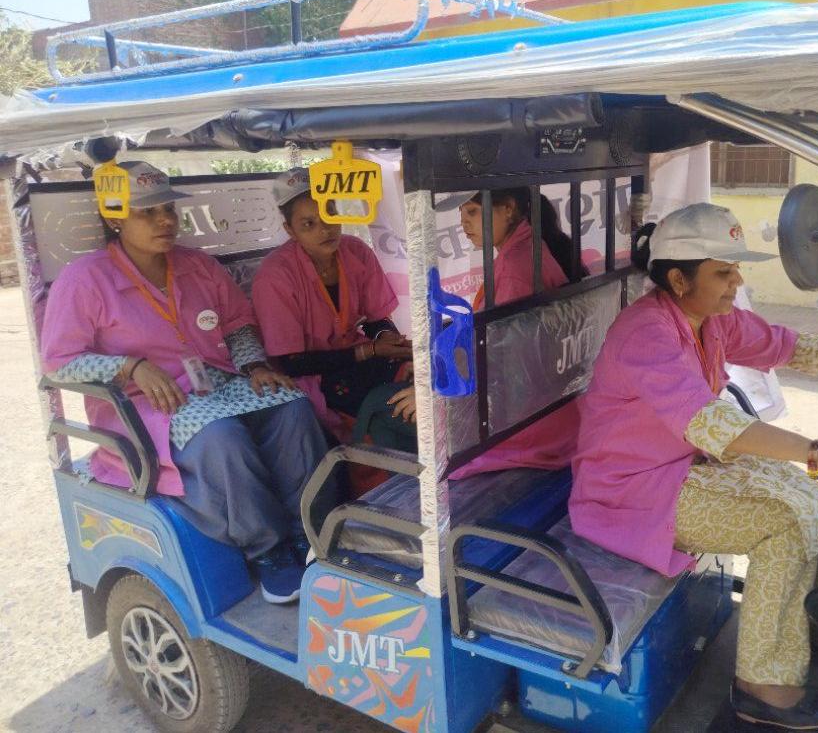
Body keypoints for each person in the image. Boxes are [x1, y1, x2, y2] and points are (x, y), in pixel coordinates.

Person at [569, 202, 818, 729]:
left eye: (736, 269)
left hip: (684, 465)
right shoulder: (646, 332)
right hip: (630, 492)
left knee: (809, 496)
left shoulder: (712, 320)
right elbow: (710, 423)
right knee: (781, 524)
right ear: (678, 279)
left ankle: (804, 633)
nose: (737, 281)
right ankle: (762, 687)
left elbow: (784, 346)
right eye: (723, 272)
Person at [41, 161, 327, 605]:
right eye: (148, 212)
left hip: (219, 383)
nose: (165, 221)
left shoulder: (197, 265)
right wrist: (129, 367)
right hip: (146, 403)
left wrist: (254, 366)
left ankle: (307, 532)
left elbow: (237, 324)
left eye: (168, 210)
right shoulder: (85, 280)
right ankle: (268, 550)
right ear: (116, 218)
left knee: (292, 407)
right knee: (222, 438)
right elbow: (59, 364)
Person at [252, 168, 416, 458]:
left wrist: (388, 340)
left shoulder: (356, 251)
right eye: (309, 224)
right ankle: (388, 470)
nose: (325, 229)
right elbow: (291, 363)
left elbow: (376, 319)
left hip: (360, 357)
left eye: (330, 213)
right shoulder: (275, 275)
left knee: (420, 374)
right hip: (312, 374)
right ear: (290, 230)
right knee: (390, 410)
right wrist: (369, 351)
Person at [443, 187, 584, 479]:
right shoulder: (527, 250)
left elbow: (503, 360)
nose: (464, 223)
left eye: (472, 212)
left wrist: (434, 395)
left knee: (384, 414)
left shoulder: (514, 269)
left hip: (531, 423)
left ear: (508, 209)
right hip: (555, 409)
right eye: (461, 214)